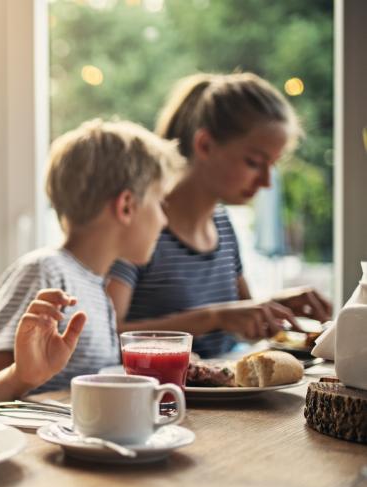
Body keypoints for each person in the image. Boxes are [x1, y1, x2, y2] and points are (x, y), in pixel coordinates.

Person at [106, 72, 332, 358]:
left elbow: (238, 317)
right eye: (254, 162)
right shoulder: (142, 224)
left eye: (272, 165)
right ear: (204, 145)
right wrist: (212, 318)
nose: (266, 182)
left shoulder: (223, 225)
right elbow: (106, 335)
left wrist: (273, 307)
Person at [0, 119, 186, 399]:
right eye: (160, 202)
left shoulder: (97, 289)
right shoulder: (45, 271)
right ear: (126, 205)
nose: (164, 220)